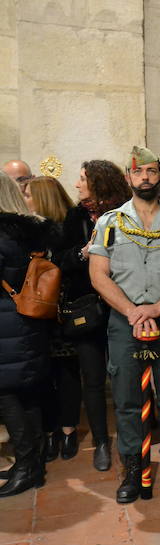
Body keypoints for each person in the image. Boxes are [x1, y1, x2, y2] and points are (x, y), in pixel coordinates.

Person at [89, 146, 160, 502]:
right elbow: (98, 275)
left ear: (159, 174)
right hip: (125, 322)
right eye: (139, 172)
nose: (146, 178)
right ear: (128, 177)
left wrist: (157, 308)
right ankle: (133, 468)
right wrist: (132, 310)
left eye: (152, 171)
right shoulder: (109, 222)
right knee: (126, 397)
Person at [60, 160, 131, 471]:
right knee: (92, 377)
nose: (77, 185)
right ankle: (101, 441)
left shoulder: (128, 212)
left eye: (82, 179)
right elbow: (61, 259)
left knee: (124, 374)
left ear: (100, 183)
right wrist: (84, 252)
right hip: (87, 308)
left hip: (123, 305)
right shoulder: (76, 216)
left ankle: (132, 436)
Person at [0, 172, 52, 496]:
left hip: (6, 325)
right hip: (26, 320)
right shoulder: (29, 231)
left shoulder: (2, 235)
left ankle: (26, 465)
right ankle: (35, 461)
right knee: (26, 391)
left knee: (5, 393)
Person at [24, 177, 80, 464]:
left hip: (61, 312)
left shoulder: (65, 232)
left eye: (29, 195)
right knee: (43, 375)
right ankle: (49, 431)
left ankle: (68, 429)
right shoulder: (26, 232)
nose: (25, 199)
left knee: (67, 373)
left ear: (43, 198)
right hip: (35, 314)